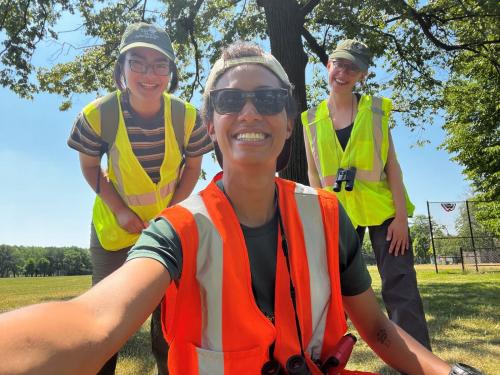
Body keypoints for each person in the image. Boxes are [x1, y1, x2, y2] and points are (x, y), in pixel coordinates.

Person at [0, 42, 483, 375]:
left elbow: (376, 328)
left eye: (269, 98)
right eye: (231, 99)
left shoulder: (329, 216)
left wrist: (449, 370)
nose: (250, 112)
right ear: (210, 125)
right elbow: (93, 323)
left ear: (289, 123)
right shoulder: (178, 230)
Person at [67, 22, 212, 374]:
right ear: (122, 69)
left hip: (166, 230)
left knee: (167, 323)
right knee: (104, 323)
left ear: (171, 72)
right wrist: (118, 210)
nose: (149, 74)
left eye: (160, 64)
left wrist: (172, 214)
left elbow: (192, 169)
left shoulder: (188, 117)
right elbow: (90, 167)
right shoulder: (97, 115)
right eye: (138, 63)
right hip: (114, 232)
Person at [301, 39, 431, 350]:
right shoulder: (310, 119)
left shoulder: (376, 110)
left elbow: (393, 168)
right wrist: (322, 219)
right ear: (328, 66)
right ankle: (321, 356)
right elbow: (314, 174)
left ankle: (418, 363)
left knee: (401, 287)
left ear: (363, 74)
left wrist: (401, 218)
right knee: (328, 288)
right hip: (339, 215)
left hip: (384, 212)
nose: (343, 72)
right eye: (338, 64)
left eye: (352, 67)